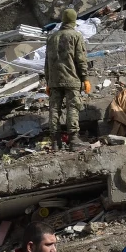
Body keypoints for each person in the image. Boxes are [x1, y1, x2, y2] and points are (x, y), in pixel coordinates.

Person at [45, 8, 91, 148]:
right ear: (74, 20)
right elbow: (81, 59)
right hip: (71, 78)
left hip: (54, 80)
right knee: (73, 107)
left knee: (54, 109)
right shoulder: (76, 36)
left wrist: (48, 81)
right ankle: (74, 139)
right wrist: (85, 78)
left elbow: (47, 62)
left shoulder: (51, 37)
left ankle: (55, 141)